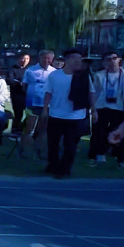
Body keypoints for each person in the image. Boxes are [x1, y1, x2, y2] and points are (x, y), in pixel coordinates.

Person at [42, 47, 91, 179]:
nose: (78, 61)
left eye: (79, 59)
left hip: (76, 116)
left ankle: (65, 169)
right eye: (75, 58)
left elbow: (91, 93)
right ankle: (53, 165)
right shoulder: (54, 75)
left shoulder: (84, 76)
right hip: (56, 115)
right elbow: (48, 92)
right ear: (67, 60)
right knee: (52, 144)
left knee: (70, 145)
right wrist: (45, 109)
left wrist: (94, 110)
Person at [88, 51, 124, 169]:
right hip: (102, 107)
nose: (112, 61)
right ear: (104, 62)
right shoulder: (99, 75)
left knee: (120, 133)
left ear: (119, 60)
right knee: (98, 132)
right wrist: (93, 108)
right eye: (108, 59)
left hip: (120, 108)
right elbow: (93, 92)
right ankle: (97, 155)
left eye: (114, 58)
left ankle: (121, 158)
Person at [5, 52, 32, 134]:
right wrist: (19, 83)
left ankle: (24, 128)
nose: (25, 60)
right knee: (18, 114)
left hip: (28, 95)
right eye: (23, 58)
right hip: (17, 95)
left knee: (30, 114)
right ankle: (15, 130)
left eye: (27, 58)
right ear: (19, 59)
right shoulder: (13, 69)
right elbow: (9, 80)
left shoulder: (30, 70)